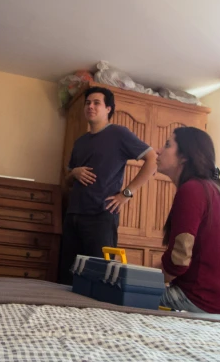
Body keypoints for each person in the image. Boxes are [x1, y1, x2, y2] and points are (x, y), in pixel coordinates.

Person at [60, 86, 158, 283]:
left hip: (101, 215)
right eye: (88, 103)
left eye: (97, 103)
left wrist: (126, 194)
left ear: (108, 109)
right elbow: (67, 180)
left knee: (98, 278)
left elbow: (152, 159)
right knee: (66, 277)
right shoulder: (80, 142)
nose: (91, 106)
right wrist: (75, 173)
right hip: (73, 216)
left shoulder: (119, 134)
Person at [156, 126, 220, 314]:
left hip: (196, 300)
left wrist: (137, 278)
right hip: (216, 301)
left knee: (118, 292)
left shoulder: (192, 190)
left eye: (167, 145)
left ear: (184, 156)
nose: (158, 150)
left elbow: (178, 261)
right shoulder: (212, 189)